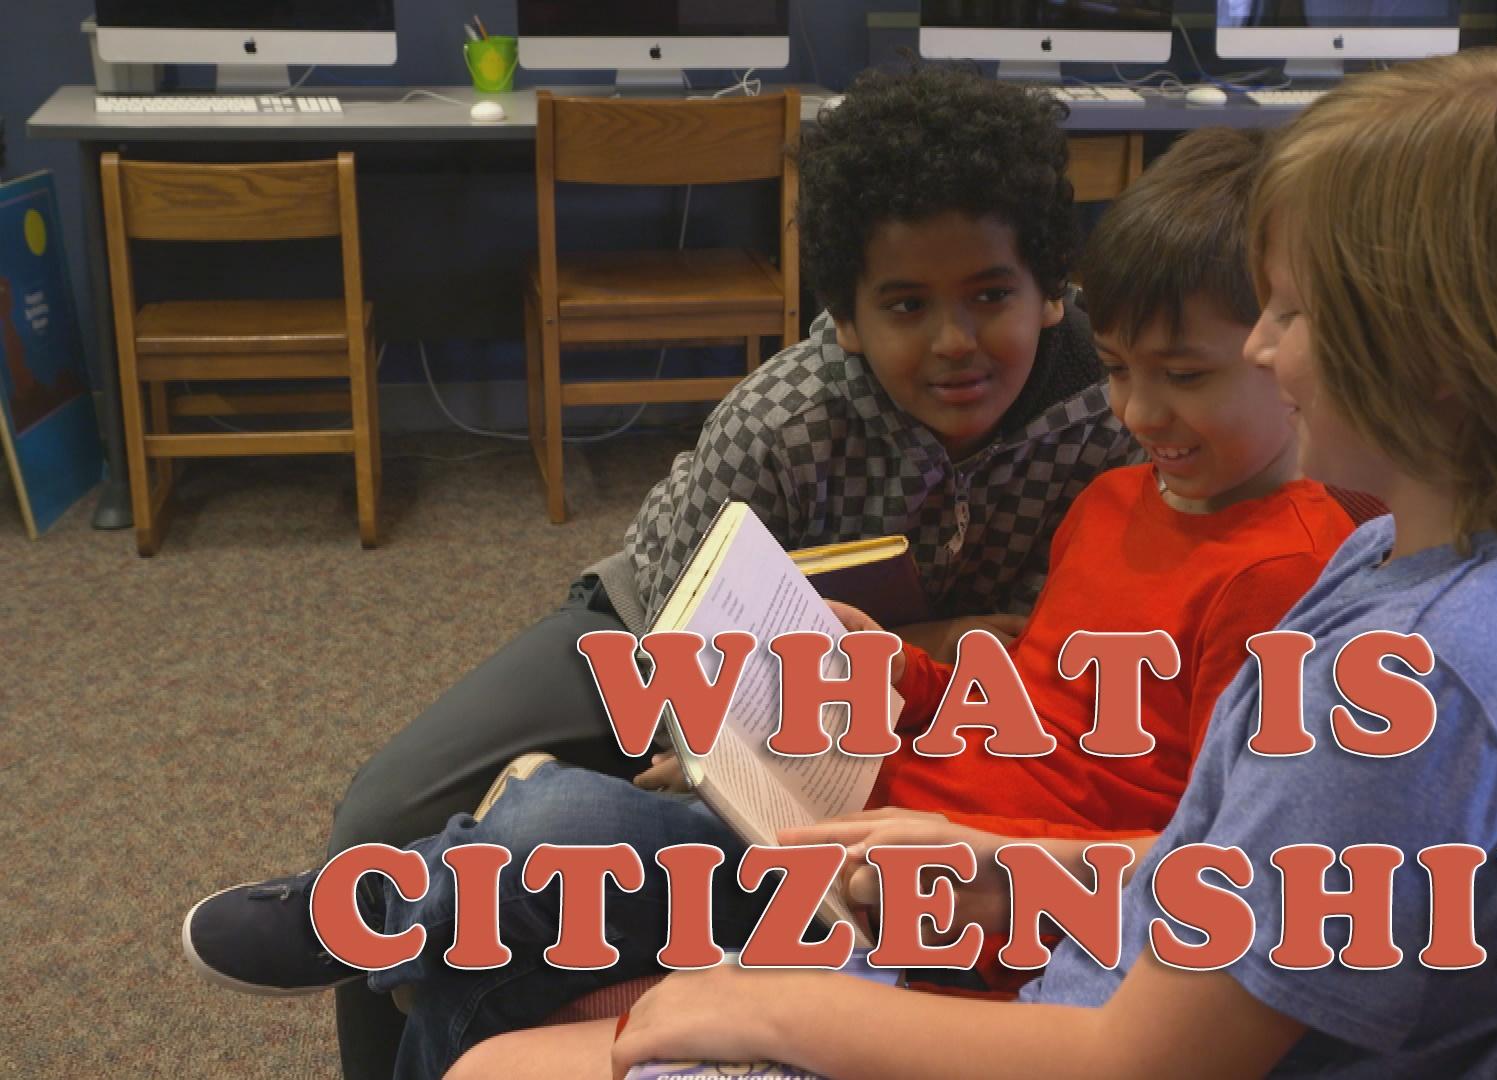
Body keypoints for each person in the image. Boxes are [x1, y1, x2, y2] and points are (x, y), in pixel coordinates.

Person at [451, 48, 1497, 1079]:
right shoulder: (1434, 566)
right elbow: (1223, 874)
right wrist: (1016, 867)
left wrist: (764, 1017)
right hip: (1053, 943)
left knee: (508, 1050)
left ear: (1435, 356)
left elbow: (1141, 1054)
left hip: (1076, 1024)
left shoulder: (1405, 691)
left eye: (1288, 316)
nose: (1272, 354)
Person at [183, 127, 1354, 1078]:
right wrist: (893, 674)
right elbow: (1030, 693)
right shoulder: (1095, 489)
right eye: (1124, 374)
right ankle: (393, 893)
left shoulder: (1268, 565)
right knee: (537, 835)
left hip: (931, 893)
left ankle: (428, 895)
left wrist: (943, 758)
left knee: (547, 848)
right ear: (844, 316)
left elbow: (1207, 854)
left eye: (1181, 378)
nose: (1142, 411)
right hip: (700, 654)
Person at [302, 66, 1139, 1079]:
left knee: (580, 848)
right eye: (906, 305)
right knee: (378, 827)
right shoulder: (787, 415)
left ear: (1050, 290)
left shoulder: (1115, 409)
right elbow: (670, 613)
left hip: (882, 704)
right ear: (844, 317)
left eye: (990, 296)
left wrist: (926, 664)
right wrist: (709, 744)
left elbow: (1082, 640)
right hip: (652, 632)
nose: (955, 343)